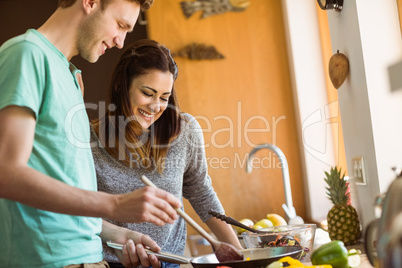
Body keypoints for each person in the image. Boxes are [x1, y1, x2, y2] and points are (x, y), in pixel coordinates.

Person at [0, 0, 182, 267]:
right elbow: (7, 173)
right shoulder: (27, 54)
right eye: (120, 25)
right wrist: (115, 205)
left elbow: (65, 192)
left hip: (89, 260)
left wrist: (117, 234)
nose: (121, 42)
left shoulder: (71, 76)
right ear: (90, 2)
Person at [91, 39, 243, 268]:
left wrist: (241, 256)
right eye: (147, 93)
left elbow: (201, 193)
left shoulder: (185, 131)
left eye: (164, 97)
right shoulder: (90, 139)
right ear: (121, 86)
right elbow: (79, 210)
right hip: (107, 263)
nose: (155, 106)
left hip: (169, 262)